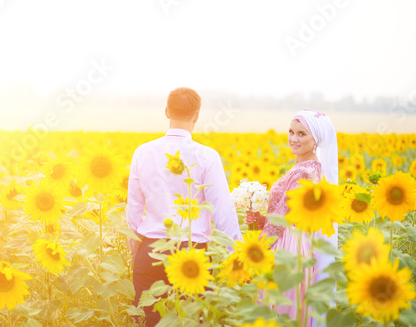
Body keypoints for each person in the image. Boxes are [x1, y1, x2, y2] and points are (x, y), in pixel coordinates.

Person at [127, 87, 243, 327]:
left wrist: (135, 251)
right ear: (197, 115)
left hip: (151, 252)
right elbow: (222, 211)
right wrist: (236, 254)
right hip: (193, 254)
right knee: (194, 321)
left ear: (167, 111)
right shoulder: (207, 156)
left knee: (151, 321)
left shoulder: (142, 152)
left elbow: (134, 210)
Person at [245, 109, 338, 327]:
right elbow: (284, 213)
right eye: (291, 132)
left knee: (276, 309)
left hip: (286, 248)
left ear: (316, 139)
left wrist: (256, 251)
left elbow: (282, 219)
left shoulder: (305, 172)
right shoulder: (303, 167)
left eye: (301, 134)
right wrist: (259, 219)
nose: (293, 139)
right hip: (288, 242)